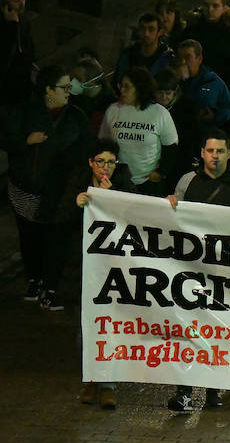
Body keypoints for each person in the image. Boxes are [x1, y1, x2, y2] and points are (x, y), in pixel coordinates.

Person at [166, 129, 230, 412]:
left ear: (229, 154)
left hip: (226, 273)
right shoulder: (187, 182)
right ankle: (185, 393)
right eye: (210, 151)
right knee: (190, 330)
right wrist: (169, 206)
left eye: (220, 151)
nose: (215, 156)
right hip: (190, 271)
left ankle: (213, 390)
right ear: (202, 153)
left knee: (216, 331)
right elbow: (172, 221)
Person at [4, 65, 92, 310]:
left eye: (69, 87)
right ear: (48, 90)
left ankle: (49, 282)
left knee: (52, 238)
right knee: (29, 235)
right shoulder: (26, 112)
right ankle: (34, 279)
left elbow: (86, 149)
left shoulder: (76, 117)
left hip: (58, 192)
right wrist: (26, 141)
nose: (68, 92)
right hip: (25, 188)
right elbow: (7, 138)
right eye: (64, 87)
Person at [74, 139, 133, 410]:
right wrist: (78, 204)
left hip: (116, 270)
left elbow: (136, 218)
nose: (105, 167)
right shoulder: (77, 184)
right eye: (100, 162)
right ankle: (90, 380)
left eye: (111, 162)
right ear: (90, 163)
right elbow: (57, 219)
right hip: (88, 271)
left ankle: (109, 385)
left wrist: (114, 200)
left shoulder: (124, 183)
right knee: (87, 326)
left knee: (113, 324)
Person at [97, 67, 179, 196]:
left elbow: (171, 147)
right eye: (121, 86)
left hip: (148, 183)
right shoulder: (113, 110)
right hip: (117, 181)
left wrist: (161, 172)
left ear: (140, 88)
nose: (122, 90)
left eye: (127, 87)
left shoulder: (159, 113)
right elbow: (103, 144)